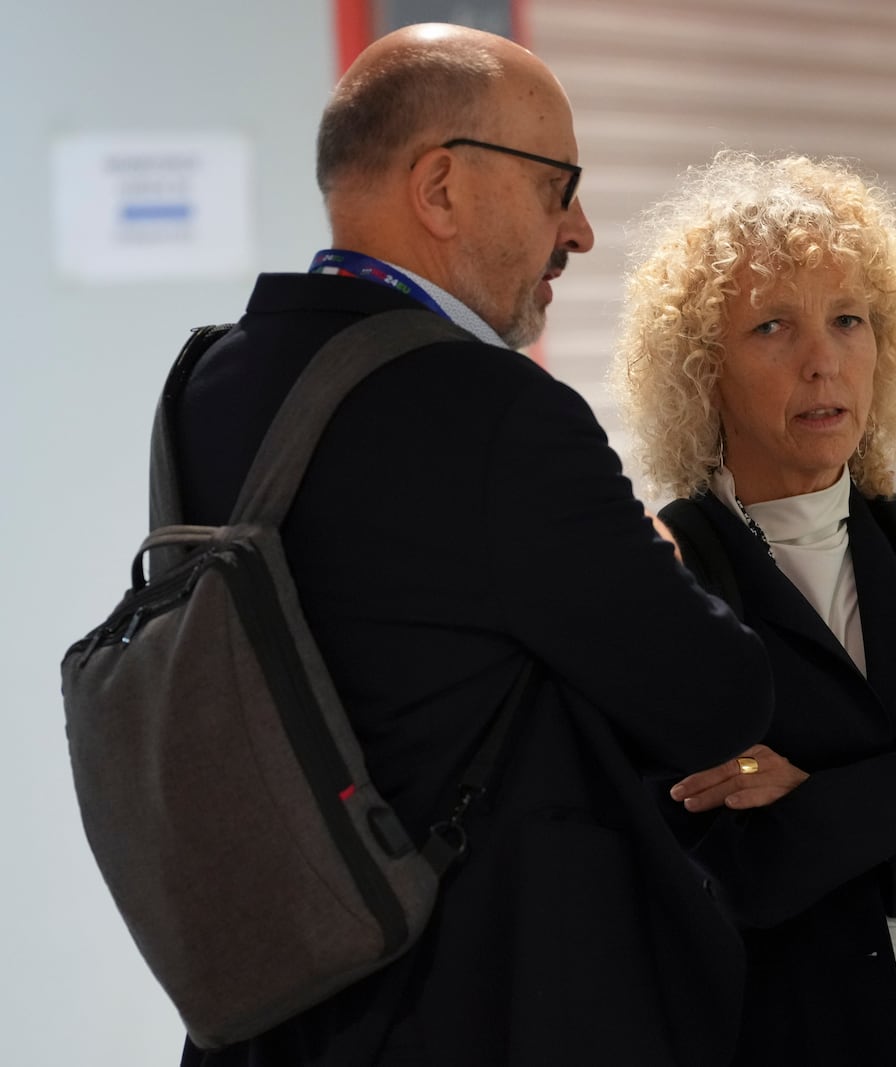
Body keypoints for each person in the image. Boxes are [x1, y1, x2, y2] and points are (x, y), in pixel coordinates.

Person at [175, 24, 771, 1067]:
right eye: (557, 187)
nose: (578, 230)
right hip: (478, 1004)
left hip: (267, 1007)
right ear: (442, 187)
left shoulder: (206, 383)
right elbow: (715, 697)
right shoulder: (496, 414)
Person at [611, 152, 896, 1067]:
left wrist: (817, 796)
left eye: (849, 320)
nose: (823, 361)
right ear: (703, 370)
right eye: (773, 326)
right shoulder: (669, 571)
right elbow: (741, 874)